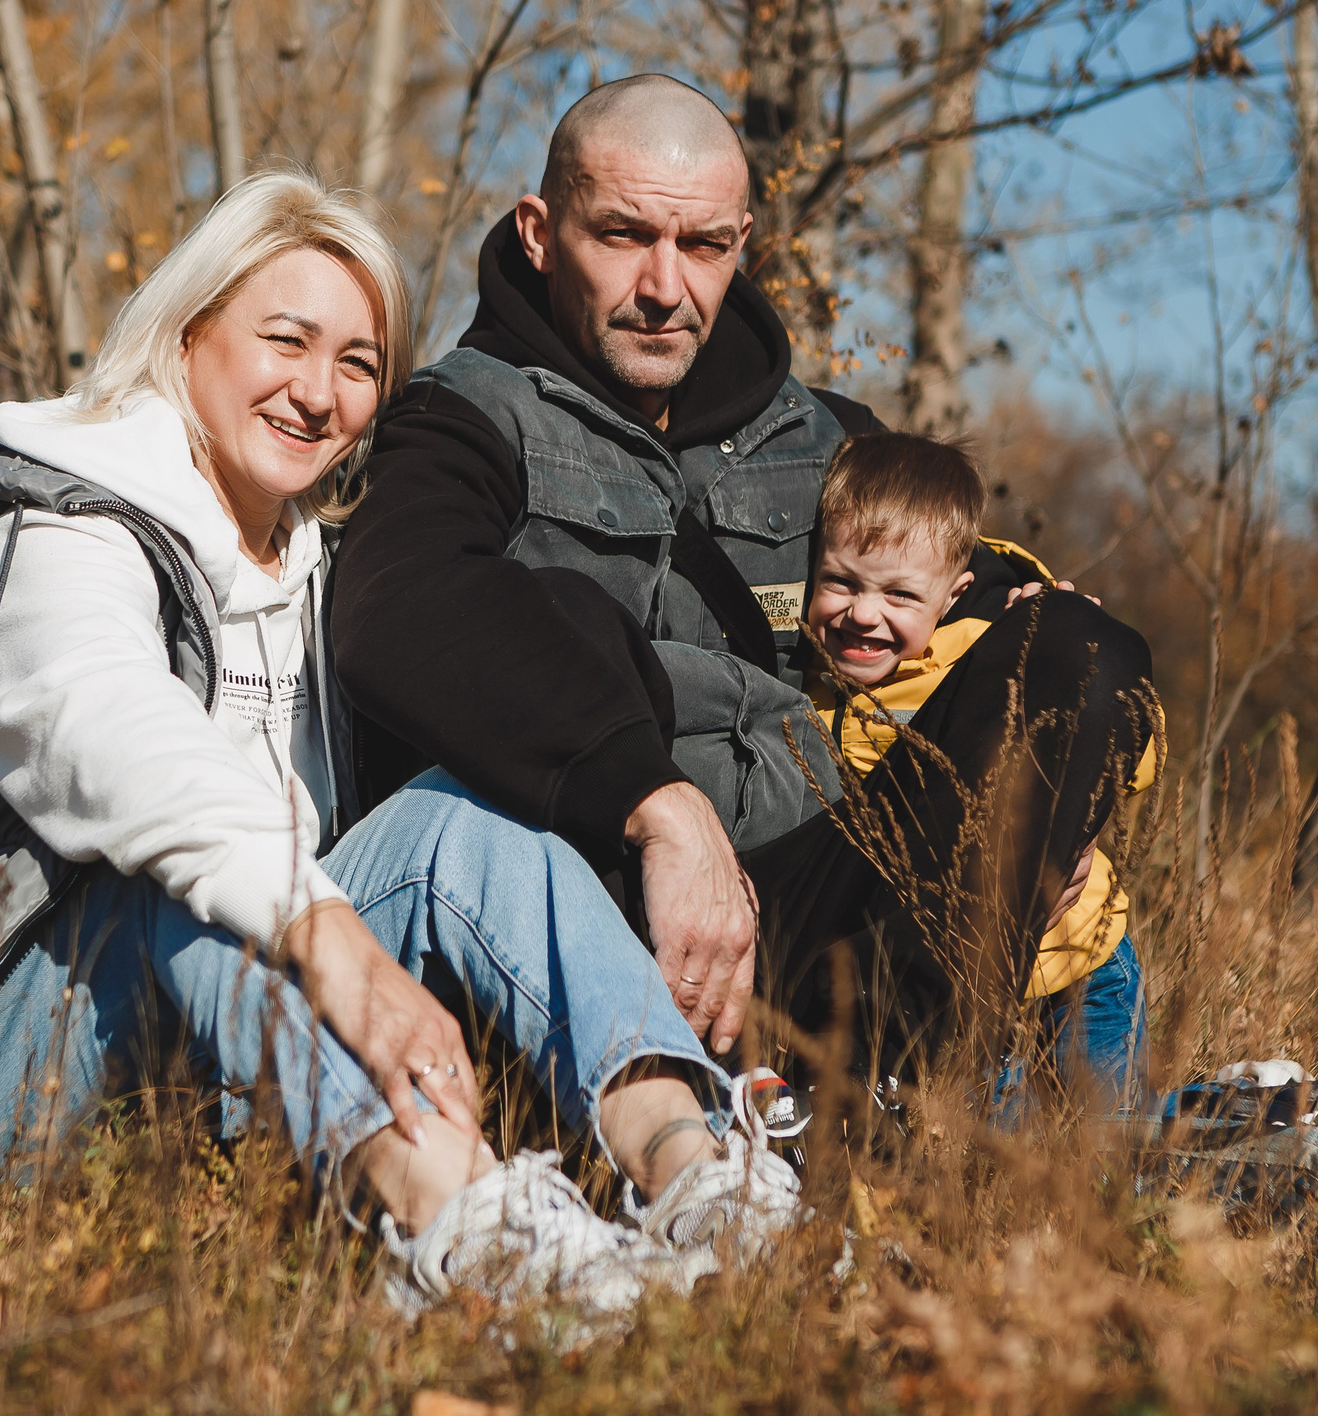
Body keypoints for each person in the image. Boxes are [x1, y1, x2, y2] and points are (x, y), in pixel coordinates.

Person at [0, 168, 800, 1321]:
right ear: (188, 338)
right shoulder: (49, 529)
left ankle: (699, 1176)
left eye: (359, 362)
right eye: (284, 340)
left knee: (467, 819)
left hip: (202, 1057)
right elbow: (114, 741)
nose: (319, 390)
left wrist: (651, 800)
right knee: (169, 893)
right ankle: (462, 1225)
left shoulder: (306, 567)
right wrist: (336, 946)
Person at [329, 75, 1163, 1095]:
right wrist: (652, 802)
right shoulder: (465, 420)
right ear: (541, 232)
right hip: (600, 895)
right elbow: (395, 609)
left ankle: (888, 1111)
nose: (664, 287)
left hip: (823, 893)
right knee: (569, 618)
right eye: (624, 234)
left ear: (743, 243)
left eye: (704, 246)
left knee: (1078, 650)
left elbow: (940, 587)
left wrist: (1042, 765)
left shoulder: (821, 436)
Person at [797, 432, 1152, 1110]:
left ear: (953, 593)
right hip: (972, 980)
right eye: (842, 581)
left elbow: (1130, 744)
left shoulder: (978, 658)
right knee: (1001, 1147)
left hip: (1080, 962)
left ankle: (1267, 1122)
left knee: (1107, 1141)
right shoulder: (808, 696)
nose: (863, 613)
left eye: (900, 595)